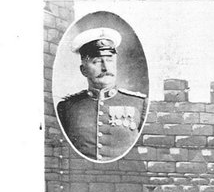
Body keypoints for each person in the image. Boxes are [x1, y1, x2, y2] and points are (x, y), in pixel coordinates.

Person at [56, 27, 147, 162]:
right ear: (83, 70)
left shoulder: (139, 104)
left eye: (109, 60)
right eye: (97, 61)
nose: (105, 67)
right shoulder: (67, 108)